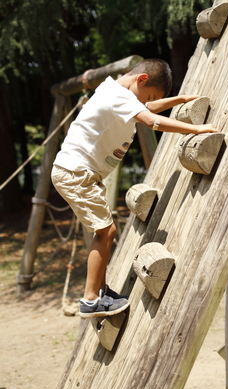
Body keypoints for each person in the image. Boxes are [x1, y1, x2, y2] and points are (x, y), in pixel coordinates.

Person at [51, 58, 217, 319]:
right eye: (147, 94)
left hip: (78, 172)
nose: (144, 103)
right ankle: (91, 300)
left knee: (105, 230)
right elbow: (152, 120)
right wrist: (196, 129)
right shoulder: (119, 97)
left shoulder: (115, 91)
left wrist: (179, 99)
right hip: (76, 172)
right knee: (105, 231)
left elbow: (148, 106)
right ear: (141, 80)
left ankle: (100, 292)